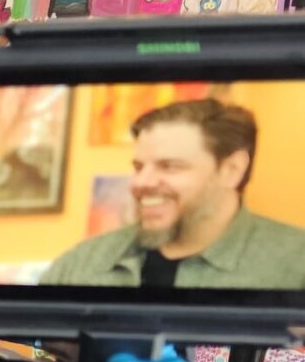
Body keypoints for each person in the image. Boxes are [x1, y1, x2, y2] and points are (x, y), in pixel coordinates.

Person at [40, 99, 305, 288]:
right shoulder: (83, 263)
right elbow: (27, 354)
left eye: (169, 166)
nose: (141, 182)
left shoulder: (294, 265)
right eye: (138, 167)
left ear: (232, 170)